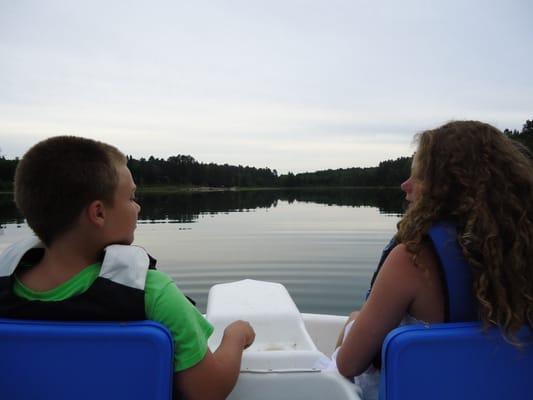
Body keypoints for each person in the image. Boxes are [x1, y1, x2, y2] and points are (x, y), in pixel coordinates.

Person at [0, 136, 255, 400]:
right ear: (98, 213)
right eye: (131, 197)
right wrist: (235, 337)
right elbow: (209, 391)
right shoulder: (154, 294)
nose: (138, 207)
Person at [331, 121, 533, 400]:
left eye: (417, 176)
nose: (405, 185)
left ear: (447, 187)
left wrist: (353, 325)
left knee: (352, 325)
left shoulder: (412, 259)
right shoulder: (522, 255)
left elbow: (348, 364)